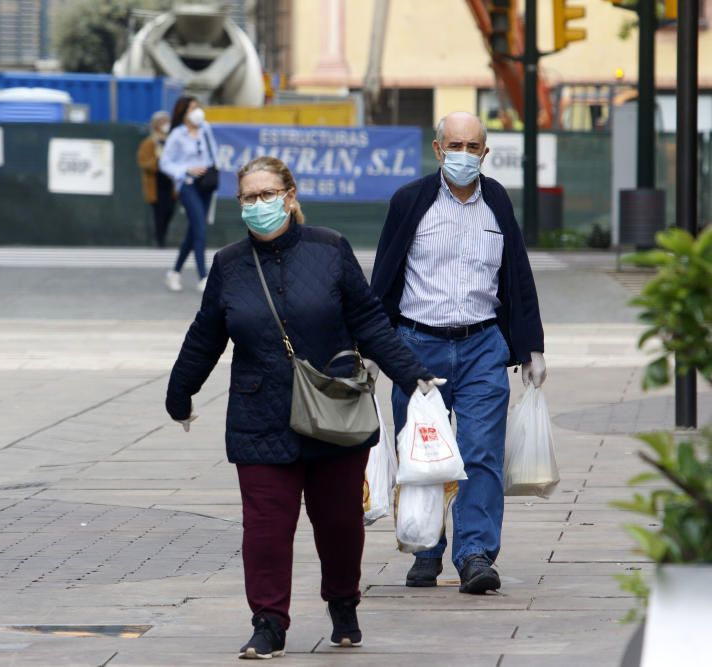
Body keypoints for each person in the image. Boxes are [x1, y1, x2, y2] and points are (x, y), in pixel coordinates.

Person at [166, 156, 442, 659]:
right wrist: (179, 393)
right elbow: (206, 334)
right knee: (266, 528)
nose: (258, 205)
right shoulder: (229, 264)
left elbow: (370, 322)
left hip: (333, 413)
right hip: (260, 416)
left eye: (267, 194)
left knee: (339, 523)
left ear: (290, 197)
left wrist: (413, 372)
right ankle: (269, 622)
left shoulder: (330, 249)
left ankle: (343, 602)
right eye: (248, 198)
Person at [370, 111, 546, 595]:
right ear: (437, 149)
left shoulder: (497, 204)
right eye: (455, 145)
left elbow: (518, 277)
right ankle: (425, 548)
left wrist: (531, 347)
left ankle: (474, 554)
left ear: (485, 154)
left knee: (482, 453)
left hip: (482, 345)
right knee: (421, 454)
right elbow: (384, 276)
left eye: (473, 146)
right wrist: (371, 348)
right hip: (416, 346)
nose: (463, 154)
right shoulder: (410, 202)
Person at [159, 95, 218, 293]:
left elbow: (213, 154)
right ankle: (204, 276)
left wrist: (209, 170)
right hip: (187, 184)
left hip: (206, 185)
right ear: (183, 112)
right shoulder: (177, 135)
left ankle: (174, 273)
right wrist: (186, 170)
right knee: (199, 227)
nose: (196, 111)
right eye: (192, 108)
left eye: (197, 107)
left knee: (193, 232)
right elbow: (165, 163)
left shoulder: (206, 129)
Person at [137, 111, 176, 247]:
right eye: (162, 122)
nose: (166, 124)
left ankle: (162, 235)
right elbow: (144, 162)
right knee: (159, 212)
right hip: (156, 183)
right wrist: (158, 160)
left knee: (170, 210)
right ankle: (159, 240)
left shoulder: (172, 141)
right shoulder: (149, 143)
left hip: (170, 182)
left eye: (167, 121)